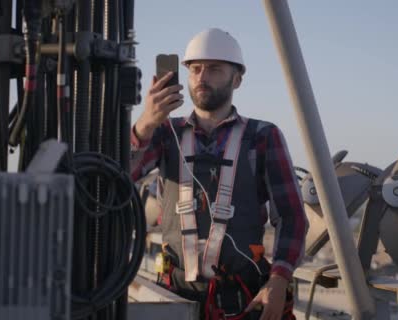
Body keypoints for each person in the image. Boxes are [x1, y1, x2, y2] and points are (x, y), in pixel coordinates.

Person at [130, 28, 308, 319]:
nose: (202, 77)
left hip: (242, 298)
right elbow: (118, 177)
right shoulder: (165, 133)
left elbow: (292, 216)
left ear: (237, 79)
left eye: (214, 69)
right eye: (195, 69)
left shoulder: (263, 137)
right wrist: (144, 125)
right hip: (175, 296)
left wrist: (279, 279)